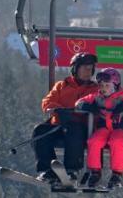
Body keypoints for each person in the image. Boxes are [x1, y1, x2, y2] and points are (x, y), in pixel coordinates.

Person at [31, 52, 98, 185]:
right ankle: (47, 169)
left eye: (90, 69)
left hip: (80, 125)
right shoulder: (62, 85)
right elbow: (48, 100)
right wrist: (57, 108)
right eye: (84, 68)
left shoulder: (94, 89)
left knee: (74, 131)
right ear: (75, 69)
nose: (88, 72)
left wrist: (85, 109)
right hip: (59, 123)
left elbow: (98, 104)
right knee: (40, 131)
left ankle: (71, 169)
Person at [77, 68, 123, 190]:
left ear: (115, 85)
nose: (103, 88)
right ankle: (95, 172)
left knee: (117, 142)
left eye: (107, 85)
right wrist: (87, 106)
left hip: (120, 128)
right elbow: (79, 102)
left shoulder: (121, 96)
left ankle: (117, 174)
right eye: (101, 85)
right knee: (94, 141)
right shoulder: (96, 97)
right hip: (104, 128)